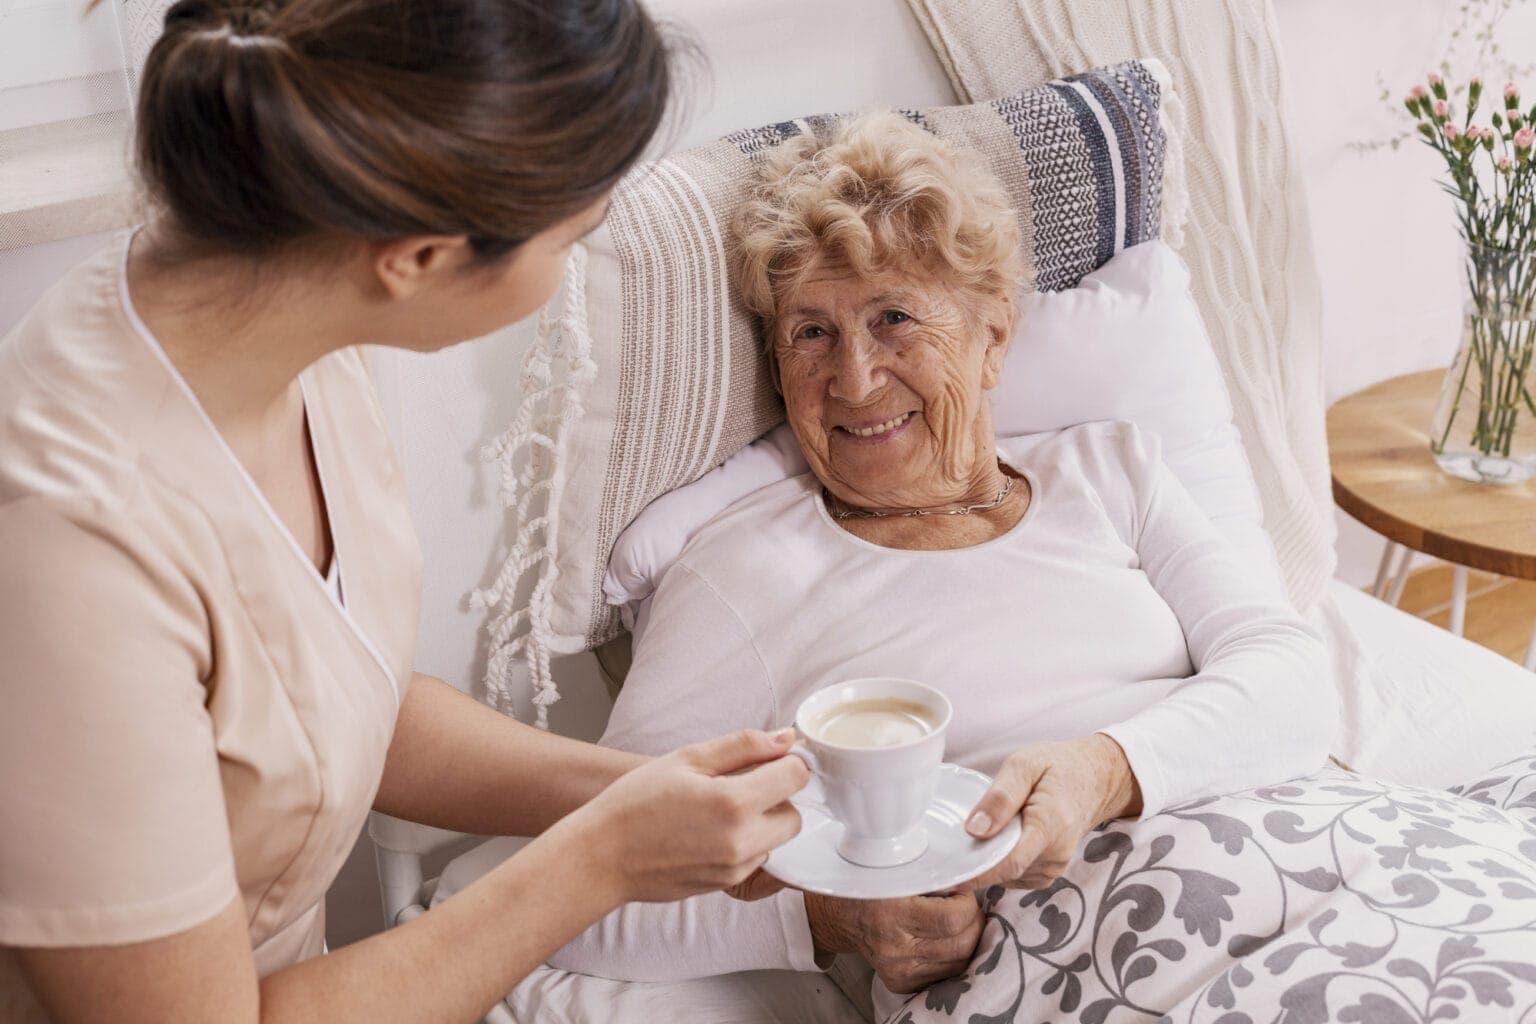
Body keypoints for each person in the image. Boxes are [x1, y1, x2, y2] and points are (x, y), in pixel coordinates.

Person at [0, 2, 810, 1021]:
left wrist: (640, 791)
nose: (570, 269)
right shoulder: (66, 551)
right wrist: (601, 860)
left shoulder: (285, 327)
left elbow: (339, 706)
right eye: (572, 239)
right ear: (419, 257)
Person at [502, 111, 1334, 1001]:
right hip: (1107, 964)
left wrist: (1107, 769)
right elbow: (593, 880)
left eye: (894, 318)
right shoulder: (745, 569)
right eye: (810, 334)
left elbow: (1293, 678)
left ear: (994, 338)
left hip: (1334, 864)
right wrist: (826, 916)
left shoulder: (1112, 470)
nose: (854, 379)